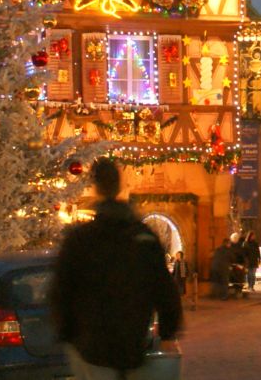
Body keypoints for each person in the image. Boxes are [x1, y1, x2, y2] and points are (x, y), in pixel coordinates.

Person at [51, 158, 182, 379]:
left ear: (96, 188)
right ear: (119, 186)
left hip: (92, 347)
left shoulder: (81, 239)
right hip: (131, 343)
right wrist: (168, 331)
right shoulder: (143, 238)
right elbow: (164, 289)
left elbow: (61, 290)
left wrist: (67, 333)